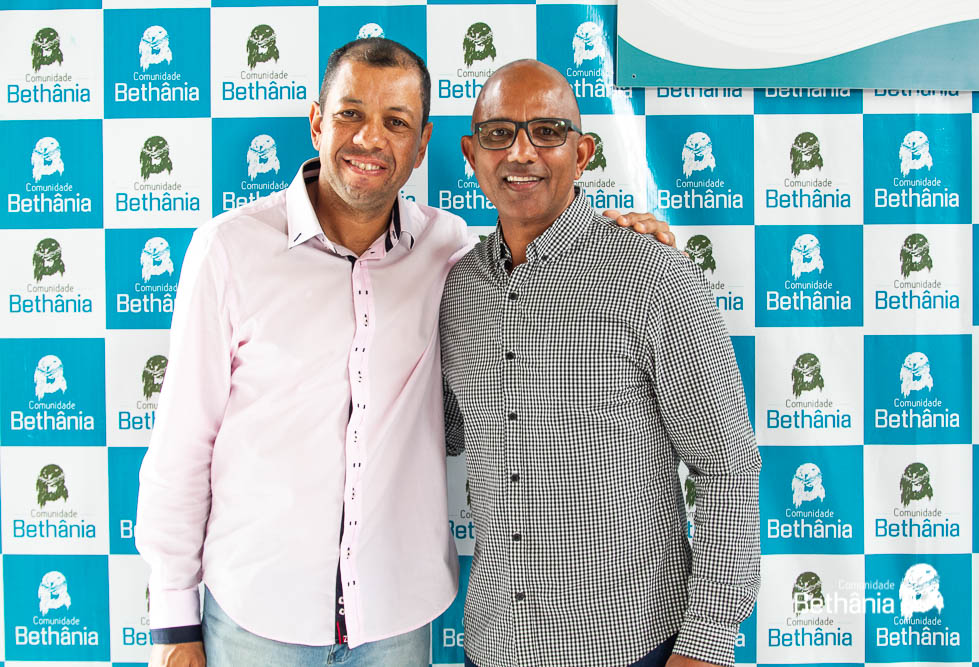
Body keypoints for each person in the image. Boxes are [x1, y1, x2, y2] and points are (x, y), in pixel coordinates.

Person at [136, 40, 673, 667]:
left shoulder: (451, 252)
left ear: (422, 146)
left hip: (395, 621)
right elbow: (182, 446)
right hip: (256, 617)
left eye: (396, 122)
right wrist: (172, 623)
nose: (370, 139)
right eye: (350, 114)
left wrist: (617, 237)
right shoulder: (229, 250)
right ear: (317, 122)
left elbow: (536, 262)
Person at [439, 60, 760, 667]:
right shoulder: (458, 289)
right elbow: (449, 436)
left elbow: (727, 465)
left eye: (547, 132)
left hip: (627, 643)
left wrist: (707, 642)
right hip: (493, 641)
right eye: (499, 133)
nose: (521, 152)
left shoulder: (655, 277)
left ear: (583, 153)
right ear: (471, 154)